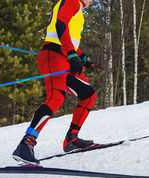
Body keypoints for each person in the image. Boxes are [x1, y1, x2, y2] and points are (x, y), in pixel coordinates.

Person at [13, 0, 96, 165]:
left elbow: (66, 36)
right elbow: (60, 25)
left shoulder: (77, 8)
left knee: (88, 95)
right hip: (54, 56)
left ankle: (71, 139)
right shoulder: (72, 1)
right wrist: (72, 54)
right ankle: (26, 144)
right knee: (56, 98)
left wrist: (80, 55)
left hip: (63, 57)